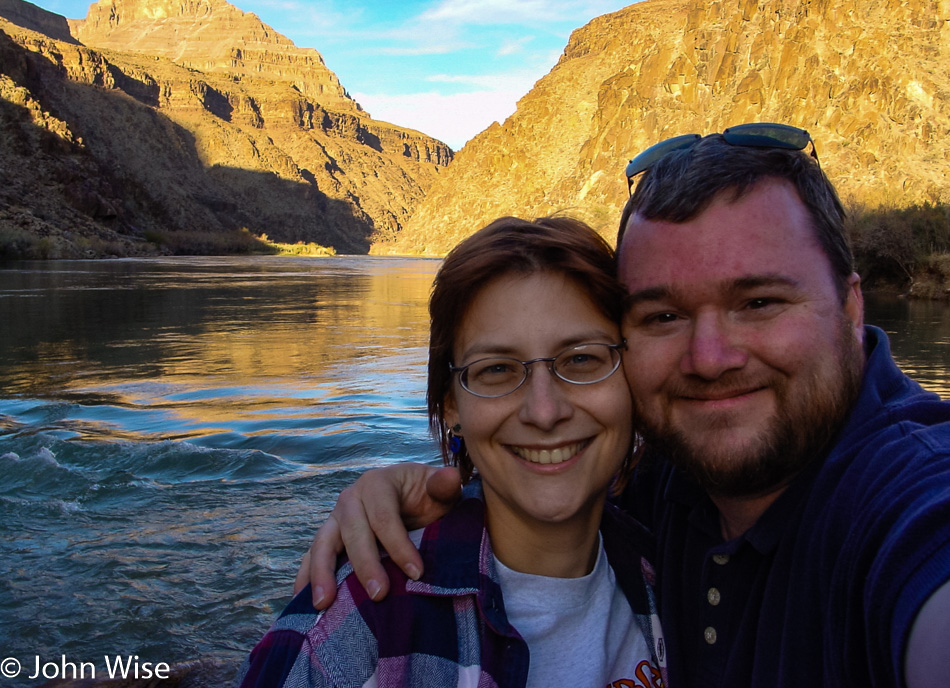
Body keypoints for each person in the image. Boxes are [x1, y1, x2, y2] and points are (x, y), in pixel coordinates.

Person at [296, 124, 950, 687]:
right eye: (663, 315)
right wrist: (415, 491)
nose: (710, 358)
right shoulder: (666, 482)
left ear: (852, 305)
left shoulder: (904, 500)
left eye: (760, 303)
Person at [239, 216, 667, 687]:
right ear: (450, 406)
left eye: (582, 359)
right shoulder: (359, 627)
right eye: (497, 369)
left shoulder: (676, 569)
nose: (544, 412)